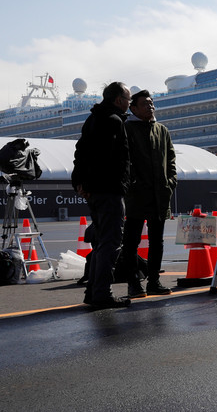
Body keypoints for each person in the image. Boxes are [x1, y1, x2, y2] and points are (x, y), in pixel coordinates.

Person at [72, 82, 133, 309]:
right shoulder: (113, 121)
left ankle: (93, 291)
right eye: (127, 99)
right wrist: (123, 185)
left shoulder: (93, 119)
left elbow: (81, 153)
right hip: (108, 190)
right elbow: (111, 160)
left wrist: (80, 182)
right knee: (111, 242)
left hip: (95, 190)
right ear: (118, 100)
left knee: (101, 243)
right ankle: (101, 294)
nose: (129, 103)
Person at [119, 90, 177, 297]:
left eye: (152, 104)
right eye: (145, 104)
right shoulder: (126, 129)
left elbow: (171, 159)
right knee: (131, 241)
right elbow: (122, 159)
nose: (150, 107)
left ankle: (154, 281)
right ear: (133, 108)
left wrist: (171, 182)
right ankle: (133, 283)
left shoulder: (162, 130)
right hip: (136, 194)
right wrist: (132, 183)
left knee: (157, 241)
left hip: (160, 193)